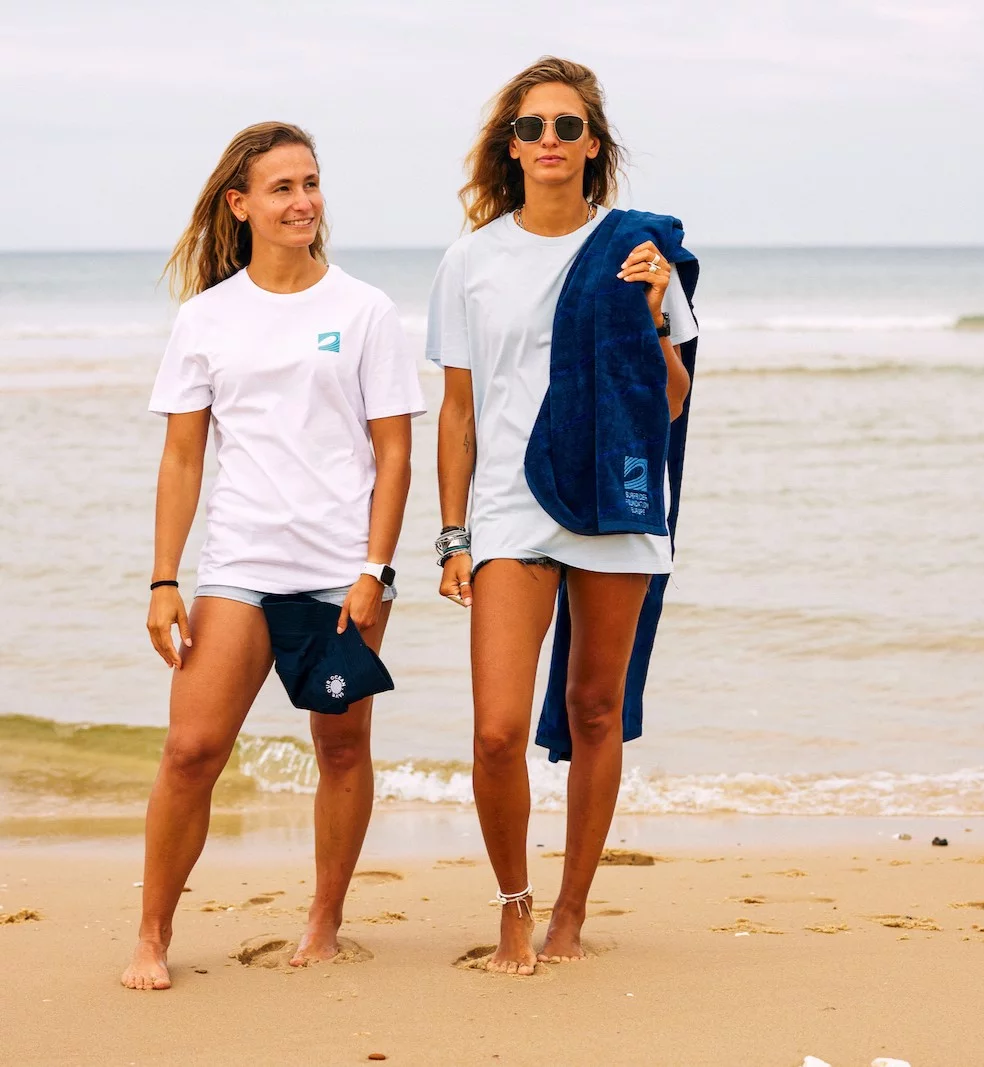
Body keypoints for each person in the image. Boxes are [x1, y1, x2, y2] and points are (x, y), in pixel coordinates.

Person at [121, 122, 424, 990]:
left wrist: (374, 570)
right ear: (240, 204)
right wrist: (164, 578)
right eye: (282, 187)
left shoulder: (362, 309)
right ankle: (152, 932)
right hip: (240, 565)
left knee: (341, 748)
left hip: (342, 570)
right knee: (191, 750)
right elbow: (183, 458)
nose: (302, 201)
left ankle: (325, 917)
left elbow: (394, 452)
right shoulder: (205, 317)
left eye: (311, 183)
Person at [428, 57, 698, 974]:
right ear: (511, 147)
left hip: (616, 499)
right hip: (511, 505)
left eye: (567, 126)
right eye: (532, 127)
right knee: (497, 729)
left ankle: (572, 910)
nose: (550, 139)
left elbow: (668, 404)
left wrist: (651, 312)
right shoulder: (470, 260)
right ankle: (514, 903)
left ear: (593, 145)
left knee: (594, 707)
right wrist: (454, 534)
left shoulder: (639, 252)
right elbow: (457, 414)